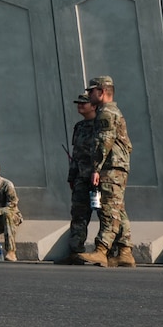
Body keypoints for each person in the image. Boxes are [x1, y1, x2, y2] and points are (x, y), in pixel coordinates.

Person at [82, 76, 134, 267]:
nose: (88, 95)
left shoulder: (106, 112)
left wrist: (96, 168)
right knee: (118, 208)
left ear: (101, 92)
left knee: (108, 208)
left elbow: (104, 142)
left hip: (110, 167)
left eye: (91, 91)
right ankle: (125, 252)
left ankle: (101, 250)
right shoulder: (111, 111)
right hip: (116, 166)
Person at [63, 91, 99, 263]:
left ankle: (110, 251)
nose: (80, 106)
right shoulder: (79, 127)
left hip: (97, 178)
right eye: (78, 103)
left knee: (106, 215)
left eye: (83, 103)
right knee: (78, 215)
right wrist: (72, 176)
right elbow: (76, 154)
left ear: (93, 106)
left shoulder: (101, 124)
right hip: (81, 178)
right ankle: (76, 251)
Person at [0, 161, 22, 261]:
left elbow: (12, 206)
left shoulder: (7, 185)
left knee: (8, 215)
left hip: (9, 216)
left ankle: (11, 252)